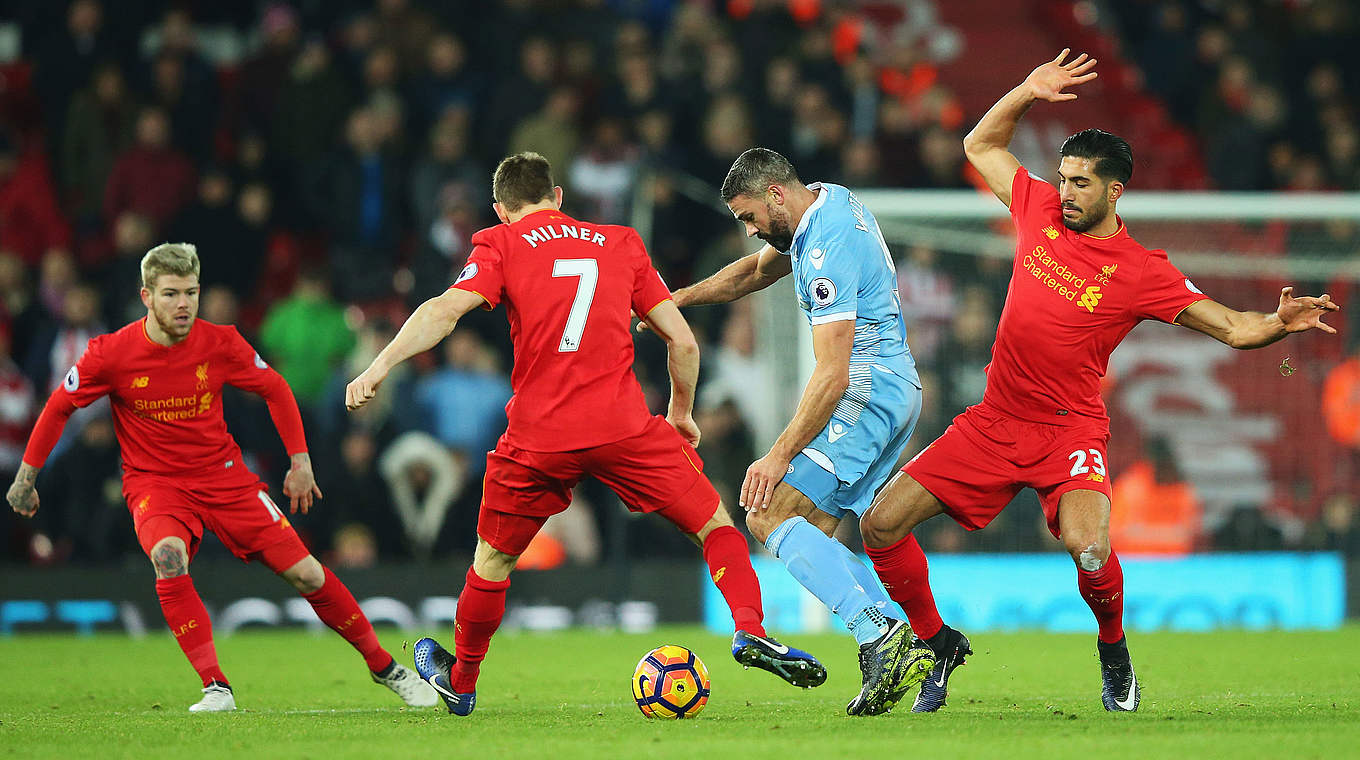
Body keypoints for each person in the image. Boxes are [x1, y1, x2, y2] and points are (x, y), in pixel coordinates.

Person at [856, 50, 1340, 714]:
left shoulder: (1142, 271)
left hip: (1068, 433)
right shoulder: (1036, 210)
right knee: (880, 524)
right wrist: (1026, 89)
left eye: (1082, 183)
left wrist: (1281, 322)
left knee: (1089, 550)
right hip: (994, 421)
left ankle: (1114, 655)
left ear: (1116, 191)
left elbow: (1232, 328)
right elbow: (979, 143)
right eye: (1063, 178)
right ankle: (938, 644)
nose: (1066, 192)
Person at [345, 152, 824, 717]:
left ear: (501, 210)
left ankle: (464, 680)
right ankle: (749, 628)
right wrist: (680, 413)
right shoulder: (620, 242)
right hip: (622, 424)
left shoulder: (501, 244)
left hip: (539, 434)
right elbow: (684, 342)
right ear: (559, 196)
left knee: (492, 563)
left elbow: (443, 311)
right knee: (716, 525)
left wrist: (377, 368)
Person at [7, 243, 436, 713]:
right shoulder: (111, 353)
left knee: (308, 573)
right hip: (156, 485)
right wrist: (27, 476)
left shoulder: (220, 342)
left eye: (191, 292)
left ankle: (385, 668)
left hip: (225, 478)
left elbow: (275, 388)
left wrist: (300, 461)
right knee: (168, 558)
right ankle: (216, 687)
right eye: (171, 294)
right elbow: (58, 407)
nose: (184, 304)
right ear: (146, 296)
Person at [647, 147, 936, 716]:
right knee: (812, 534)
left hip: (865, 390)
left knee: (768, 511)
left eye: (750, 218)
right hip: (891, 386)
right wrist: (680, 297)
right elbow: (755, 272)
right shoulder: (822, 205)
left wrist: (776, 455)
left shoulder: (824, 248)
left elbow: (831, 373)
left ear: (775, 194)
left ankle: (880, 638)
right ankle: (914, 648)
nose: (751, 230)